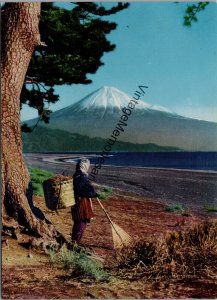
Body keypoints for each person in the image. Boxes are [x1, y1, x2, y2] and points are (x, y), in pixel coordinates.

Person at [71, 157, 98, 244]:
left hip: (78, 203)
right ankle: (74, 243)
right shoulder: (80, 177)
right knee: (80, 224)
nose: (88, 167)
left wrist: (92, 192)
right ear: (84, 166)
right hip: (81, 204)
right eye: (88, 166)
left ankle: (75, 242)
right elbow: (81, 190)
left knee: (79, 224)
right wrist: (93, 194)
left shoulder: (77, 175)